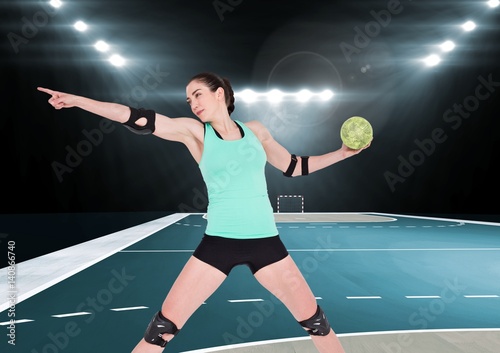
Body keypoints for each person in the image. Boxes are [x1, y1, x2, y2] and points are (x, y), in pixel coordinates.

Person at [38, 72, 370, 353]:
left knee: (316, 322)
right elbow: (138, 119)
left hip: (267, 244)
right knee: (161, 330)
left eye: (198, 94)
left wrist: (342, 153)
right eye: (188, 100)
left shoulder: (256, 130)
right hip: (219, 245)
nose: (193, 104)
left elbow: (294, 166)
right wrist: (78, 100)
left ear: (220, 94)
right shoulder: (195, 133)